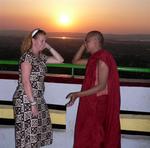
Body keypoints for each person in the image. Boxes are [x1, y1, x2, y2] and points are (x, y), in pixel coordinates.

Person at [66, 31, 121, 148]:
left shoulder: (103, 58)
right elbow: (75, 61)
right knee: (88, 135)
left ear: (96, 42)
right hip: (91, 102)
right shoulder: (94, 59)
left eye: (88, 41)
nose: (86, 43)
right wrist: (83, 45)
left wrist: (77, 94)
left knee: (95, 137)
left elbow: (101, 86)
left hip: (98, 104)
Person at [13, 28, 64, 148]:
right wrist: (33, 103)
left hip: (38, 98)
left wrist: (49, 47)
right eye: (41, 41)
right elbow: (26, 82)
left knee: (35, 135)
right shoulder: (27, 57)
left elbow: (60, 60)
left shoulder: (42, 57)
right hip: (26, 99)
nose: (44, 43)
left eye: (45, 41)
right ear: (33, 40)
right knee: (28, 136)